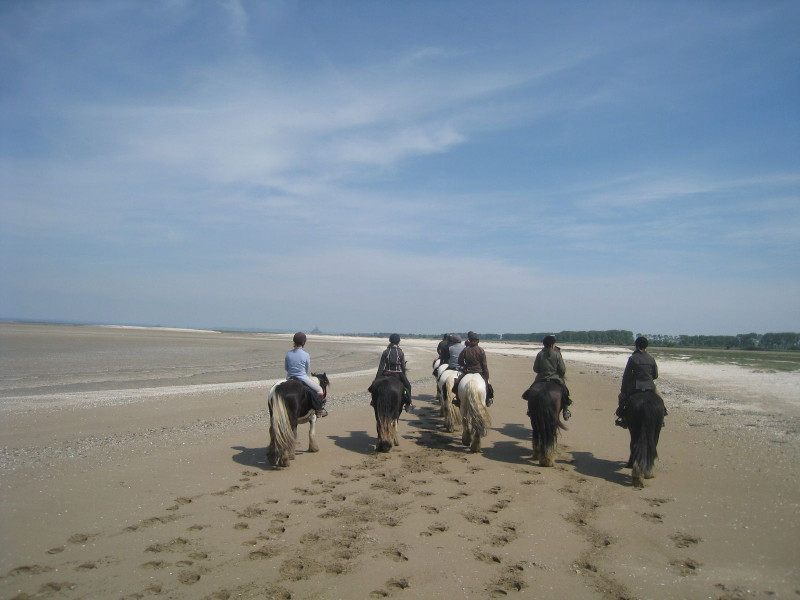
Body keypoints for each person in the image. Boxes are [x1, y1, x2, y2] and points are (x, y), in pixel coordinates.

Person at [616, 336, 661, 428]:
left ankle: (622, 418)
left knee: (622, 398)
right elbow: (655, 375)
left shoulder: (632, 358)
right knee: (659, 400)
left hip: (635, 386)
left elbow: (626, 376)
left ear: (636, 346)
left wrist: (623, 391)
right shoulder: (651, 358)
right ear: (646, 346)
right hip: (650, 385)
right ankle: (662, 417)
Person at [285, 332, 327, 417]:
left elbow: (286, 368)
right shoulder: (306, 354)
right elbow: (307, 369)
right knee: (319, 390)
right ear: (303, 342)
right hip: (302, 378)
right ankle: (319, 410)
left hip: (289, 378)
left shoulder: (288, 353)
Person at [532, 334, 573, 420]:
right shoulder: (556, 354)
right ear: (552, 345)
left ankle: (530, 409)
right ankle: (565, 410)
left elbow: (535, 369)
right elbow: (562, 369)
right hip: (555, 378)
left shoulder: (540, 354)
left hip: (541, 378)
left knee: (531, 391)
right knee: (565, 392)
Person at [375, 333, 414, 412]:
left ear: (390, 341)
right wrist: (404, 376)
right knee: (408, 386)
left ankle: (373, 401)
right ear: (398, 342)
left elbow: (381, 367)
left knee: (374, 387)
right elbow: (403, 367)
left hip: (386, 371)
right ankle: (408, 404)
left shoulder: (385, 352)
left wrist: (376, 379)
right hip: (398, 372)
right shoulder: (401, 353)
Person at [453, 331, 494, 406]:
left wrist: (465, 366)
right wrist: (487, 376)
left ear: (470, 340)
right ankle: (488, 399)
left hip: (467, 371)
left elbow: (460, 361)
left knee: (457, 383)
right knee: (487, 385)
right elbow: (484, 365)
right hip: (479, 372)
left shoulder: (465, 349)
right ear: (478, 341)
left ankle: (457, 399)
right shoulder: (481, 350)